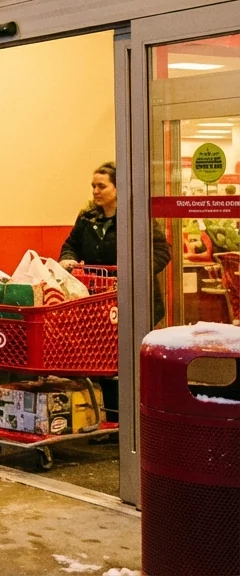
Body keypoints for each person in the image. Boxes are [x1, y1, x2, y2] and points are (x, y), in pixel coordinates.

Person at [58, 161, 171, 418]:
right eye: (93, 186)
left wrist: (135, 271)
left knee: (127, 360)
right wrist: (67, 257)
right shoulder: (87, 218)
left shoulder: (137, 218)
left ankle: (136, 417)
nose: (96, 191)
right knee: (104, 359)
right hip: (100, 301)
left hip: (136, 301)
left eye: (102, 186)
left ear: (119, 188)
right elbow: (71, 244)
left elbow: (162, 251)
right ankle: (111, 418)